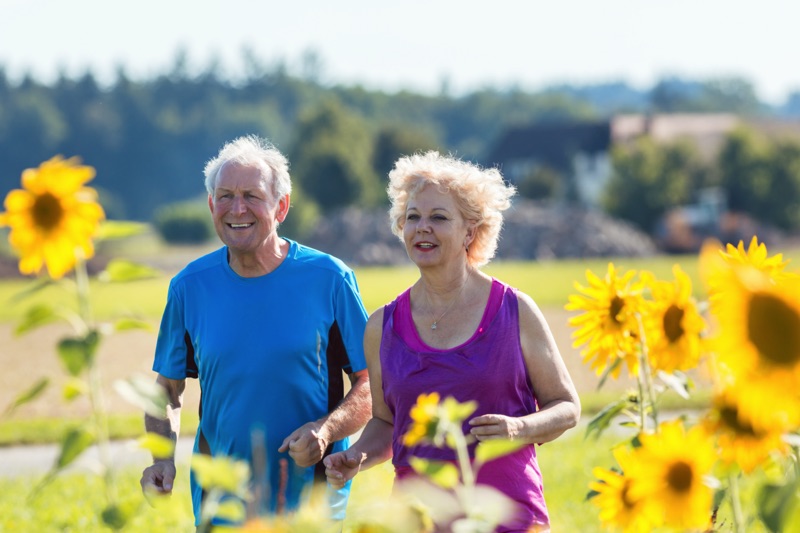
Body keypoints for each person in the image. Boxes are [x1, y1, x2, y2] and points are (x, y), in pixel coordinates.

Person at [323, 151, 581, 532]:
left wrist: (518, 429)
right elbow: (385, 421)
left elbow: (567, 407)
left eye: (439, 217)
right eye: (413, 217)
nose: (422, 227)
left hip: (507, 519)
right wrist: (358, 455)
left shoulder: (514, 310)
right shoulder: (382, 326)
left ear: (470, 232)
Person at [139, 135, 371, 526]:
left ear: (281, 207)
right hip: (221, 496)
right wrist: (161, 459)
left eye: (251, 195)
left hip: (311, 499)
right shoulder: (189, 287)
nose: (237, 208)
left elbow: (371, 384)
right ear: (212, 206)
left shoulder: (330, 279)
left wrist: (325, 429)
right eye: (225, 196)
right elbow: (167, 390)